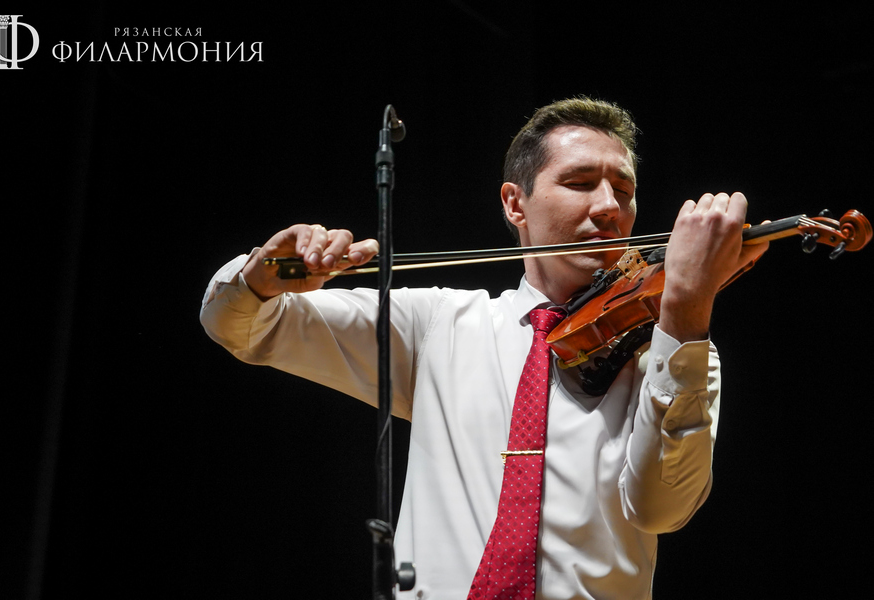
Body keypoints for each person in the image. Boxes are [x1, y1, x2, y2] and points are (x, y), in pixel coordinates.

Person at [200, 96, 768, 599]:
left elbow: (661, 509)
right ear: (515, 204)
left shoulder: (673, 352)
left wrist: (685, 310)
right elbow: (242, 325)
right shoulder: (437, 324)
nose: (609, 207)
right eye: (579, 183)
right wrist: (264, 274)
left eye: (623, 190)